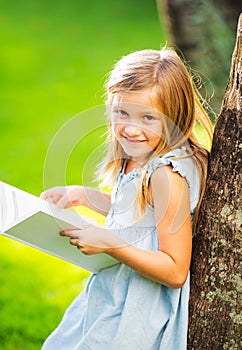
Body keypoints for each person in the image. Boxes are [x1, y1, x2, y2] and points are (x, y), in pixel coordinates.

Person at [41, 47, 213, 349]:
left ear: (174, 116)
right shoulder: (139, 153)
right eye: (122, 113)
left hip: (138, 306)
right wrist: (86, 196)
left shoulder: (166, 174)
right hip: (116, 289)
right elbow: (144, 216)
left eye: (148, 117)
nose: (131, 129)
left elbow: (175, 269)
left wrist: (110, 242)